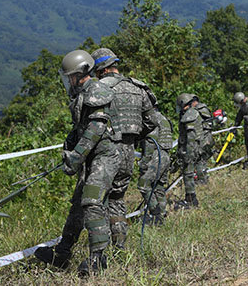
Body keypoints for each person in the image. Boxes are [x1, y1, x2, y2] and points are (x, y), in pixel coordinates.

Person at [34, 50, 118, 276]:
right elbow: (80, 128)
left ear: (82, 73)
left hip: (104, 156)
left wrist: (76, 156)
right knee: (77, 205)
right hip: (91, 157)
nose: (68, 81)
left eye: (70, 76)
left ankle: (97, 259)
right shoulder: (82, 94)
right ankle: (62, 253)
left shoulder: (97, 91)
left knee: (91, 201)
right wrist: (70, 143)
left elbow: (96, 128)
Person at [91, 48, 158, 249]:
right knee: (117, 199)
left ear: (100, 70)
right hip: (129, 152)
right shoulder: (138, 88)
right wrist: (134, 136)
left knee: (95, 201)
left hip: (105, 152)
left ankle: (98, 253)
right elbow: (152, 121)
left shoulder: (99, 88)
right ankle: (120, 246)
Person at [137, 109, 174, 225]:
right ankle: (162, 215)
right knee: (158, 187)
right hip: (166, 155)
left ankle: (156, 214)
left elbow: (150, 142)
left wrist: (144, 163)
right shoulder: (162, 118)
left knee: (143, 184)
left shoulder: (152, 119)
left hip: (156, 156)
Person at [175, 93, 203, 208]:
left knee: (188, 174)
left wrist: (188, 154)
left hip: (191, 149)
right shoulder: (191, 113)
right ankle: (190, 198)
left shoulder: (189, 115)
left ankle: (191, 200)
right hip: (192, 148)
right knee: (188, 173)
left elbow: (191, 137)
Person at [193, 98, 214, 184]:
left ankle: (201, 180)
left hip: (203, 139)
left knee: (200, 159)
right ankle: (203, 178)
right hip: (207, 137)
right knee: (202, 160)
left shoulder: (198, 111)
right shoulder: (205, 110)